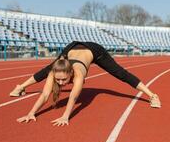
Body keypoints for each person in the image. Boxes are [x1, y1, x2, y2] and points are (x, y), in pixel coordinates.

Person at [10, 41, 161, 126]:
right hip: (72, 47)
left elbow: (73, 98)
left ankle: (152, 95)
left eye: (64, 80)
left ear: (71, 74)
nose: (61, 83)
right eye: (58, 80)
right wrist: (31, 113)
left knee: (120, 73)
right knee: (48, 68)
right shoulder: (57, 70)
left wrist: (65, 116)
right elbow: (44, 95)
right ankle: (21, 86)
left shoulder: (78, 75)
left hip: (95, 51)